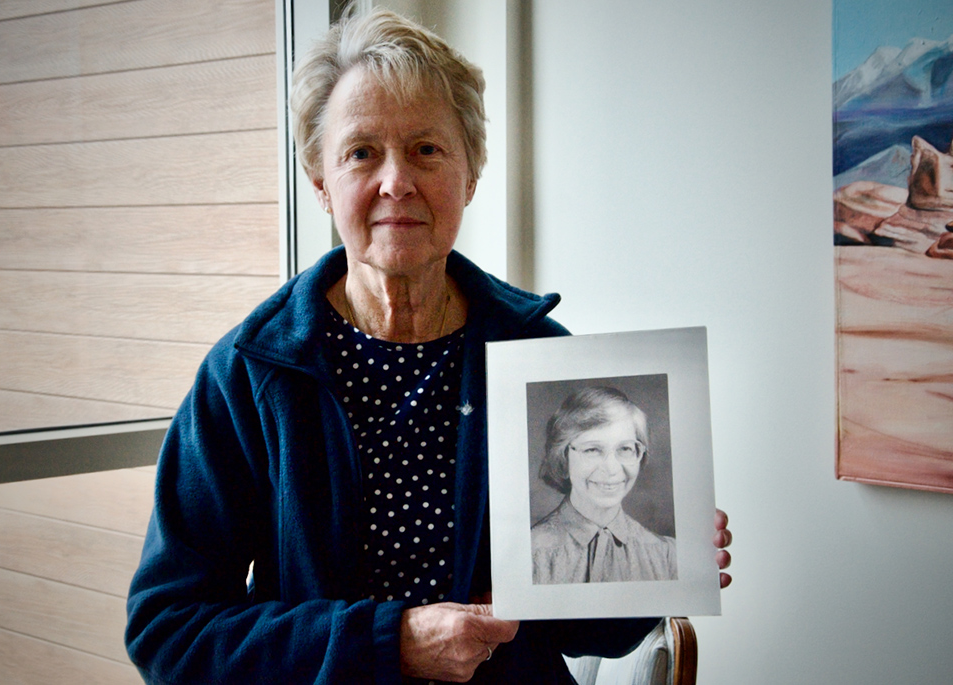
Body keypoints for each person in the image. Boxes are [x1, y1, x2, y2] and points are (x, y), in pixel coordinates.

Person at [125, 8, 732, 683]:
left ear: (469, 175)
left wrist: (657, 568)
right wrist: (391, 641)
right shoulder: (251, 374)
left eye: (426, 149)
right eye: (362, 152)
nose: (396, 181)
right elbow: (169, 631)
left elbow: (585, 625)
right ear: (322, 183)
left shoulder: (538, 356)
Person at [532, 386, 677, 584]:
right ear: (563, 458)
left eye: (625, 448)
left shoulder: (665, 555)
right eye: (592, 450)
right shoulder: (531, 553)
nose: (611, 468)